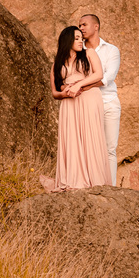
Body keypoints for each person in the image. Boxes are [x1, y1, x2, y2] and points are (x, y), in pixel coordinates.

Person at [49, 25, 112, 190]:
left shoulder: (89, 53)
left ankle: (95, 180)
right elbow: (55, 92)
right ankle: (74, 179)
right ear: (67, 40)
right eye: (76, 38)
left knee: (91, 135)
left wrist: (79, 85)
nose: (80, 41)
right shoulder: (57, 63)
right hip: (69, 103)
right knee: (72, 138)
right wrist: (65, 93)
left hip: (89, 98)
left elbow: (98, 74)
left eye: (81, 38)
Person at [77, 13, 121, 187]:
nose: (81, 28)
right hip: (87, 104)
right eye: (79, 25)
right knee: (88, 147)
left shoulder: (111, 50)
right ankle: (90, 185)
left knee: (110, 148)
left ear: (96, 26)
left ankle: (111, 188)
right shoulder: (78, 51)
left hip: (109, 102)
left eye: (84, 24)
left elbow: (108, 77)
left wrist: (84, 86)